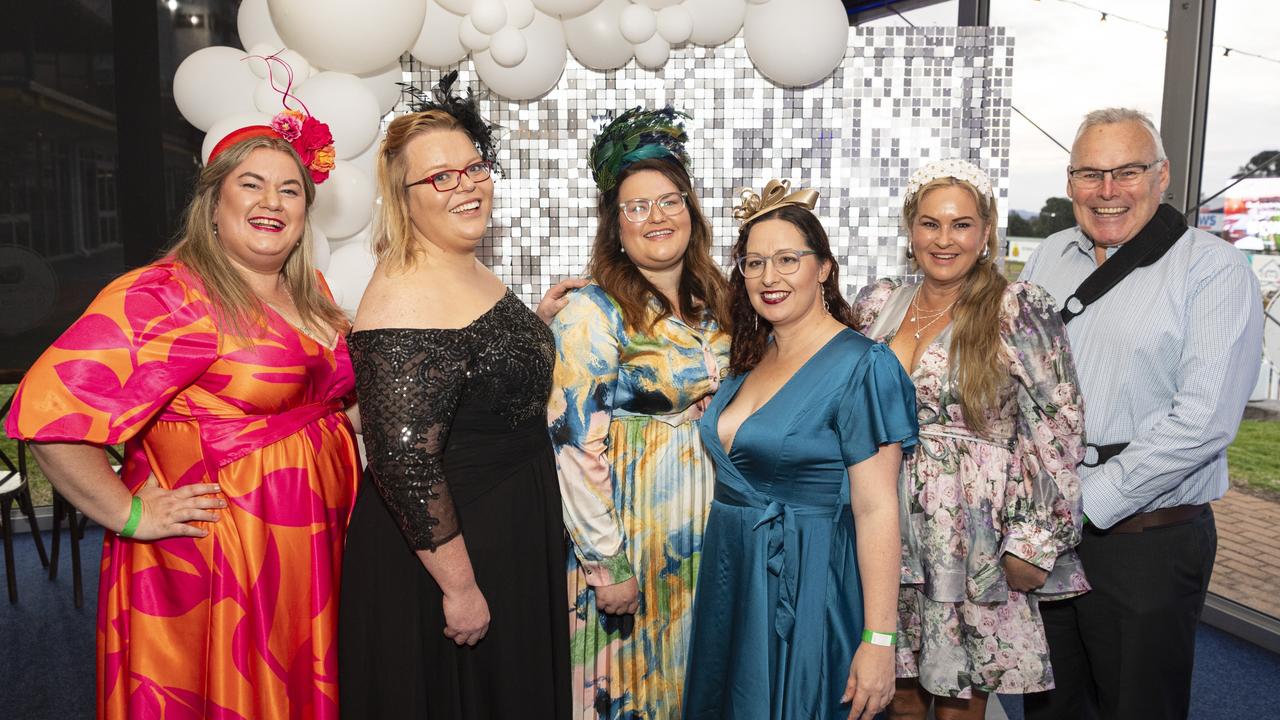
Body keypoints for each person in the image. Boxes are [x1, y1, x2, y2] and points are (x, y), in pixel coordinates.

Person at [5, 112, 359, 718]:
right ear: (213, 201)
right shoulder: (169, 294)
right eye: (250, 183)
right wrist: (128, 512)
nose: (271, 201)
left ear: (306, 212)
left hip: (310, 546)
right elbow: (46, 411)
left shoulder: (313, 291)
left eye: (290, 188)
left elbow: (331, 401)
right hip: (223, 557)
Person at [336, 74, 570, 719]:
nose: (466, 184)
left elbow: (465, 363)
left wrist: (536, 328)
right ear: (402, 197)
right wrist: (461, 587)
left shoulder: (458, 258)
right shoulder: (405, 294)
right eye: (440, 177)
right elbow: (403, 461)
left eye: (473, 167)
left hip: (504, 519)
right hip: (451, 547)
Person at [1019, 108, 1263, 720]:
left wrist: (1079, 504)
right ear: (1070, 180)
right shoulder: (1048, 256)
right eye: (1090, 174)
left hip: (1144, 544)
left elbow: (1202, 423)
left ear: (1162, 176)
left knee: (1137, 705)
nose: (1107, 191)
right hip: (1046, 530)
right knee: (1050, 703)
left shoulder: (1213, 269)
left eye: (1127, 171)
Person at [849, 159, 1089, 719]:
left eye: (961, 224)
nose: (944, 238)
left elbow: (1060, 427)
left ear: (985, 234)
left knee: (960, 700)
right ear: (910, 232)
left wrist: (1036, 541)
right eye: (930, 224)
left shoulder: (1015, 308)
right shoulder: (877, 305)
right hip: (883, 525)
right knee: (896, 694)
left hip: (969, 535)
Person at [683, 181, 918, 720]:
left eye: (788, 259)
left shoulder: (864, 366)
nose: (770, 277)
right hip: (733, 574)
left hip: (810, 585)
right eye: (755, 262)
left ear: (824, 269)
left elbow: (877, 508)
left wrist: (879, 640)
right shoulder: (751, 359)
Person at [548, 107, 731, 719]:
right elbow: (573, 446)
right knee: (631, 699)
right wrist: (607, 565)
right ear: (615, 225)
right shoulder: (591, 313)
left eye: (669, 200)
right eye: (636, 206)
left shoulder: (720, 306)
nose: (656, 217)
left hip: (712, 545)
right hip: (633, 543)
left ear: (691, 209)